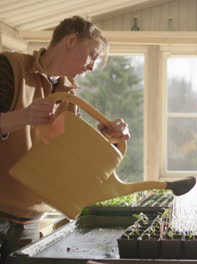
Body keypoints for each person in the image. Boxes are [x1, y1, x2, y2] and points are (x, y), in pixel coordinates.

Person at [0, 16, 130, 263]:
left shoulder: (69, 97)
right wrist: (23, 117)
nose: (92, 67)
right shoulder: (10, 67)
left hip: (30, 221)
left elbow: (65, 160)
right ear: (70, 41)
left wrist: (107, 140)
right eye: (92, 55)